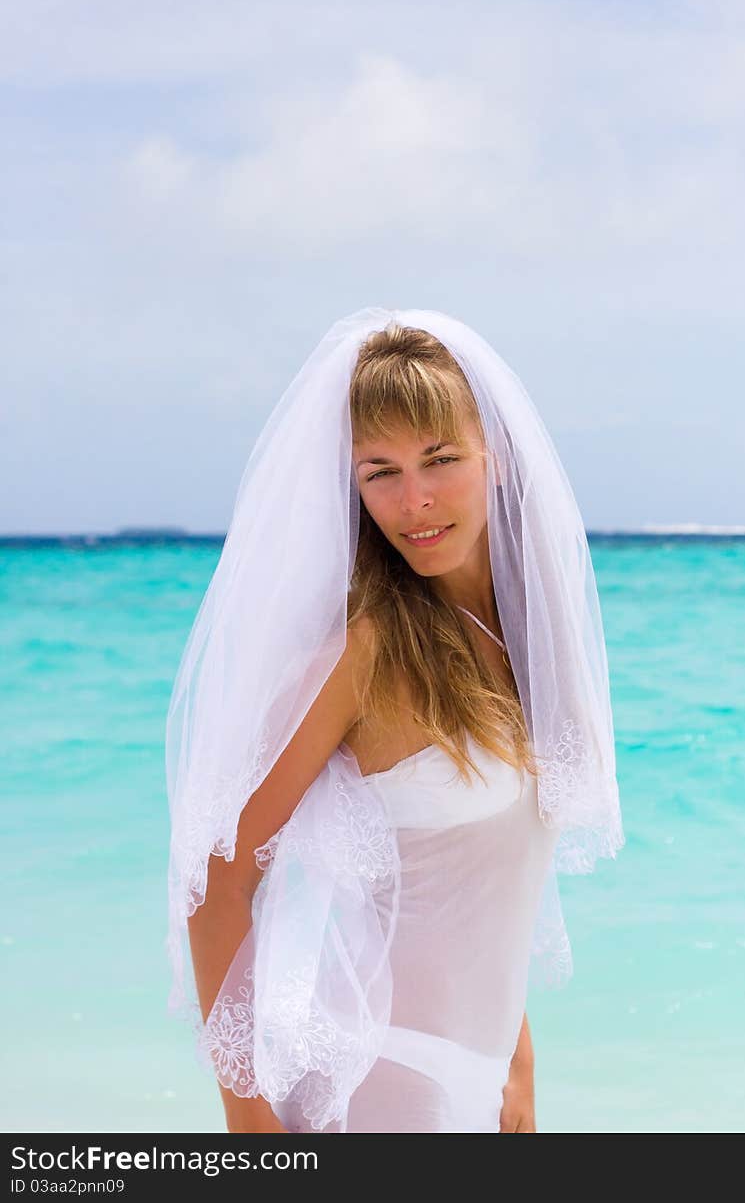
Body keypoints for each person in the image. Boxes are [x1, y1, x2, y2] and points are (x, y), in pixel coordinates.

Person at [165, 308, 624, 1133]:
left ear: (496, 457)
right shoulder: (362, 651)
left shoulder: (517, 645)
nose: (413, 501)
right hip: (384, 1084)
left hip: (482, 1083)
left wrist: (516, 1058)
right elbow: (218, 882)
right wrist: (249, 1123)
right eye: (380, 471)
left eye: (440, 459)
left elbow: (478, 888)